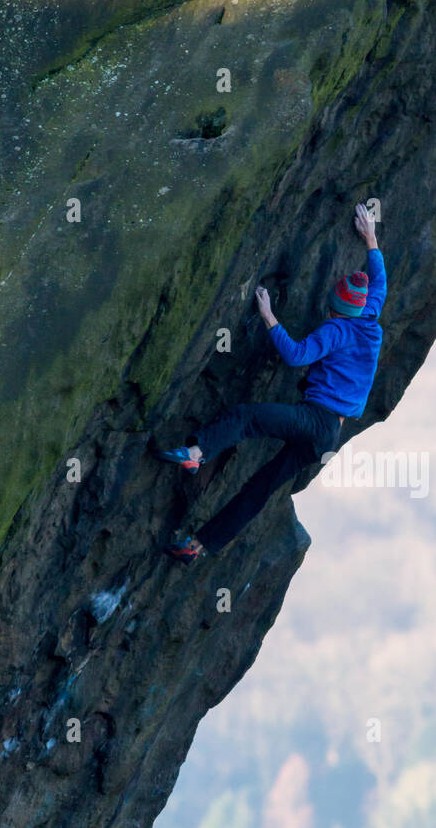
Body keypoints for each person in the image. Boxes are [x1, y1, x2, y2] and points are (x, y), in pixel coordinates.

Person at [157, 202, 386, 563]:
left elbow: (296, 355)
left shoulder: (336, 330)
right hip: (328, 437)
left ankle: (196, 454)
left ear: (336, 310)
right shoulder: (371, 316)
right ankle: (197, 547)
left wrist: (268, 316)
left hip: (316, 420)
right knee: (259, 488)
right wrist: (370, 237)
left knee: (248, 417)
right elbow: (379, 278)